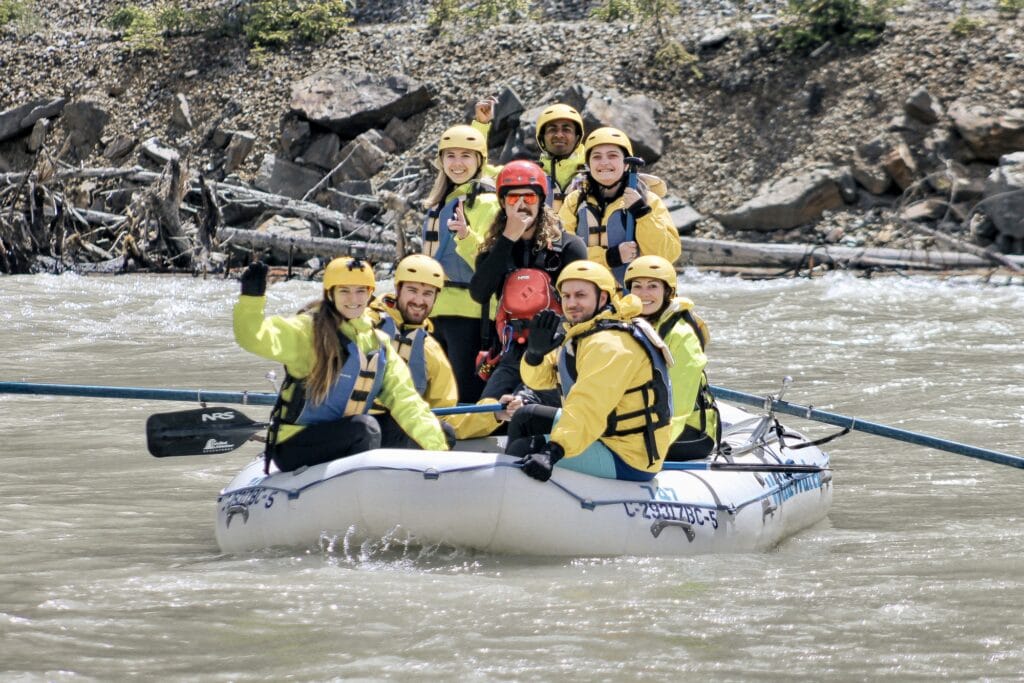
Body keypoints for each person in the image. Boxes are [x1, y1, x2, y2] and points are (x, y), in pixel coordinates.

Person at [234, 257, 449, 473]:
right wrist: (251, 299)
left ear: (370, 294)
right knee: (365, 429)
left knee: (430, 431)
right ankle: (363, 493)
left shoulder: (378, 344)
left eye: (360, 291)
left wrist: (439, 453)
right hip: (295, 445)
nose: (353, 299)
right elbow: (254, 338)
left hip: (346, 437)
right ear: (330, 294)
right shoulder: (308, 331)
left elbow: (408, 403)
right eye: (344, 291)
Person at [509, 260, 675, 482]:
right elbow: (540, 382)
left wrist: (553, 451)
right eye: (566, 296)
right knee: (525, 417)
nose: (571, 303)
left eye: (580, 295)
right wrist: (534, 355)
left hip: (627, 454)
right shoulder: (581, 333)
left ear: (603, 298)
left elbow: (588, 405)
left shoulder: (610, 344)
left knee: (524, 448)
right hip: (602, 433)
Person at [469, 159, 587, 403]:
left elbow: (583, 302)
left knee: (531, 406)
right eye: (513, 199)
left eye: (529, 198)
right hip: (511, 351)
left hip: (555, 349)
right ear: (502, 203)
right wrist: (507, 239)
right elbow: (479, 293)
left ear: (541, 200)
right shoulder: (492, 252)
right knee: (488, 409)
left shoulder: (569, 247)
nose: (522, 205)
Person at [421, 124, 501, 403]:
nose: (457, 163)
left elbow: (490, 264)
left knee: (464, 396)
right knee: (435, 395)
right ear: (441, 161)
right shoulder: (438, 205)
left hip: (472, 317)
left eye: (466, 156)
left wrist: (466, 235)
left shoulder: (490, 203)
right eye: (451, 155)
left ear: (480, 161)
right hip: (434, 312)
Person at [624, 255, 720, 460]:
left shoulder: (681, 335)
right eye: (637, 287)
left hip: (688, 433)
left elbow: (678, 403)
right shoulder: (628, 324)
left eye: (652, 286)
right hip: (643, 422)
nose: (643, 294)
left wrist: (650, 448)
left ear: (667, 291)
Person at [558, 127, 681, 285]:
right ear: (588, 164)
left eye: (613, 155)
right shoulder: (574, 201)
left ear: (626, 164)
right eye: (596, 157)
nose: (604, 162)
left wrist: (642, 213)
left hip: (634, 299)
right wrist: (610, 257)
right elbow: (561, 251)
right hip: (590, 297)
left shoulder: (649, 201)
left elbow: (667, 255)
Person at [370, 254, 459, 410]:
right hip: (356, 425)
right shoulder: (367, 323)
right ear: (398, 289)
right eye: (412, 290)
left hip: (400, 429)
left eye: (427, 294)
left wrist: (494, 414)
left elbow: (445, 413)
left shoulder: (430, 350)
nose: (419, 301)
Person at [473, 100, 586, 212]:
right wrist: (481, 125)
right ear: (541, 138)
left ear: (577, 137)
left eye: (566, 129)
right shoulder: (527, 174)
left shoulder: (594, 174)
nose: (559, 135)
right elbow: (477, 169)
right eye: (552, 129)